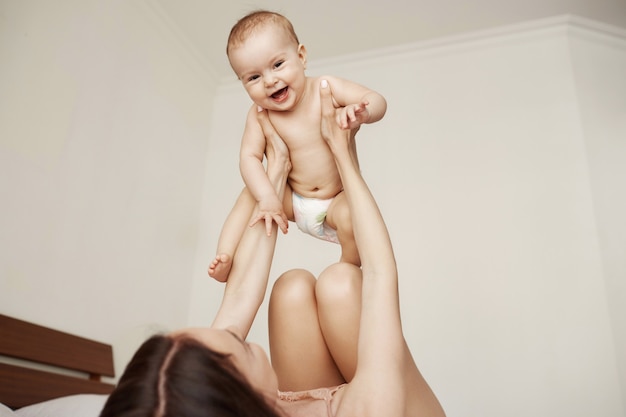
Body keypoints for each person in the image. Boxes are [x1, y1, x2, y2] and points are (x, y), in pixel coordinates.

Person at [100, 79, 445, 417]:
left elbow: (237, 300)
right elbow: (379, 272)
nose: (235, 330)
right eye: (242, 342)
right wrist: (342, 154)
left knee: (291, 288)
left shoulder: (203, 402)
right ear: (248, 400)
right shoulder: (373, 409)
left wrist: (276, 170)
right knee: (340, 283)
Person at [208, 10, 387, 282]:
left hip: (335, 199)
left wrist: (362, 112)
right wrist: (267, 197)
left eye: (277, 64)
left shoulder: (324, 88)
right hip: (292, 200)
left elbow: (376, 99)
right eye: (253, 78)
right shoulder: (259, 115)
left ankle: (349, 265)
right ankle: (225, 255)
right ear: (242, 83)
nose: (269, 81)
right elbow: (249, 158)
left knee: (352, 216)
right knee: (248, 196)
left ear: (301, 56)